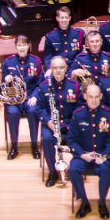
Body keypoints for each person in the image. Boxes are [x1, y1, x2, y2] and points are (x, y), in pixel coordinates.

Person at [66, 84, 110, 220]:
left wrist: (105, 156)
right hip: (83, 155)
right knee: (73, 170)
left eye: (97, 97)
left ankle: (102, 203)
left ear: (101, 96)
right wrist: (82, 154)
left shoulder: (109, 114)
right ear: (84, 96)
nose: (94, 100)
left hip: (102, 155)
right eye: (91, 97)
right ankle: (84, 202)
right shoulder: (77, 115)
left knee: (106, 170)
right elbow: (71, 140)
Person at [28, 56, 80, 186]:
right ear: (50, 69)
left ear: (66, 68)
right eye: (55, 68)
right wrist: (48, 121)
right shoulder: (44, 87)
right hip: (51, 124)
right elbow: (39, 108)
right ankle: (52, 171)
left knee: (79, 136)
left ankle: (76, 169)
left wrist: (70, 123)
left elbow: (79, 108)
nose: (58, 70)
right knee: (46, 138)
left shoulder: (75, 86)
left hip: (69, 123)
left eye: (61, 67)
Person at [2, 35, 43, 160]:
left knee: (32, 111)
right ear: (15, 46)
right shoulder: (8, 62)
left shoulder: (36, 61)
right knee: (12, 113)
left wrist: (35, 97)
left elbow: (40, 83)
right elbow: (3, 86)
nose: (22, 48)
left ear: (28, 46)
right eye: (19, 45)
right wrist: (6, 81)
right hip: (15, 99)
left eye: (24, 45)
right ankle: (14, 147)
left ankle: (34, 145)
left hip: (30, 97)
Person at [43, 6, 85, 71]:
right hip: (58, 70)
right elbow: (48, 57)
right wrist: (49, 69)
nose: (64, 20)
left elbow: (82, 54)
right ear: (57, 18)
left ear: (70, 18)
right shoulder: (50, 36)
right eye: (62, 18)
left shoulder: (79, 34)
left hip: (76, 69)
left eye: (66, 17)